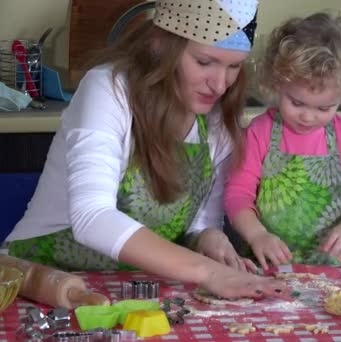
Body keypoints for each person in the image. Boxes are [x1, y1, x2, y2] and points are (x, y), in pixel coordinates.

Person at [4, 0, 288, 300]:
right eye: (205, 62)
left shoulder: (217, 122)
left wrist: (211, 239)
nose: (220, 85)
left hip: (137, 294)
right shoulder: (108, 89)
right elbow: (92, 217)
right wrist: (208, 271)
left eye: (234, 66)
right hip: (41, 286)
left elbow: (200, 223)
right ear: (160, 45)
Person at [224, 12, 341, 270]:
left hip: (327, 272)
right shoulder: (260, 132)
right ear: (277, 84)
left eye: (324, 108)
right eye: (296, 102)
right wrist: (257, 235)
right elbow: (237, 194)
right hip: (265, 267)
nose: (308, 117)